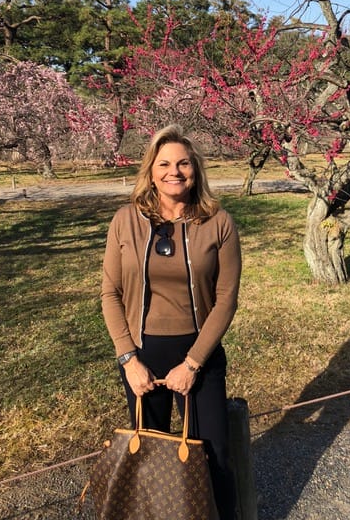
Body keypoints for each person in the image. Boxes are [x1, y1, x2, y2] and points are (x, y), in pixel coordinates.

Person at [101, 124, 242, 519]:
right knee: (152, 455)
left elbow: (226, 299)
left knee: (213, 456)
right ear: (150, 171)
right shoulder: (125, 221)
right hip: (143, 355)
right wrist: (128, 360)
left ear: (196, 169)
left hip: (200, 352)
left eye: (183, 163)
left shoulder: (218, 222)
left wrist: (193, 363)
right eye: (164, 163)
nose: (173, 171)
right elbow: (109, 294)